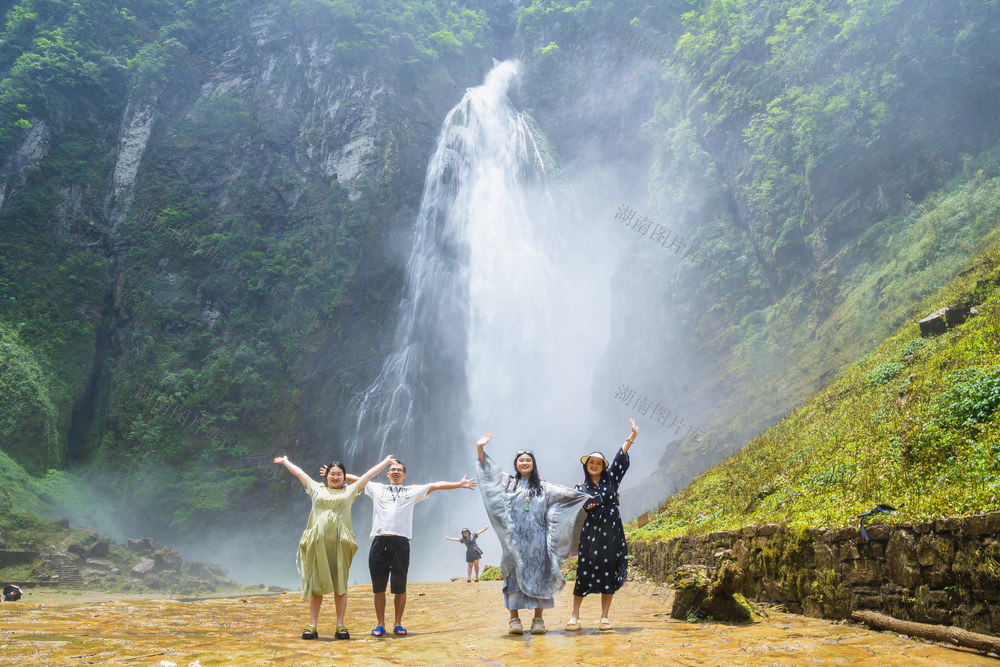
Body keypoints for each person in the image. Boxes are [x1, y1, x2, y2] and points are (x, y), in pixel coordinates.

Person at [322, 458, 478, 638]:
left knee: (400, 586)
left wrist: (459, 484)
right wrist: (334, 475)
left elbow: (435, 485)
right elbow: (359, 478)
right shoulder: (376, 488)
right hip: (379, 541)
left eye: (399, 470)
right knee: (378, 587)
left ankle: (398, 623)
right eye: (392, 469)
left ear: (404, 475)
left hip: (401, 543)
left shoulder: (412, 491)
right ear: (387, 474)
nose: (395, 471)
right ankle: (380, 624)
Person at [475, 433, 591, 635]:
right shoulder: (508, 482)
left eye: (528, 460)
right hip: (515, 541)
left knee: (541, 577)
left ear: (533, 464)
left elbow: (565, 493)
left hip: (538, 542)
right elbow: (489, 473)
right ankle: (514, 620)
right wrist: (480, 449)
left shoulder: (544, 487)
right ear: (516, 464)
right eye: (521, 460)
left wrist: (583, 495)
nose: (525, 462)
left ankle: (538, 619)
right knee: (513, 577)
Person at [274, 453, 395, 641]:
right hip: (317, 543)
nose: (335, 477)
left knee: (340, 584)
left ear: (344, 477)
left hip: (341, 544)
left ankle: (340, 625)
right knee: (316, 584)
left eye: (339, 474)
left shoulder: (350, 491)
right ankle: (312, 625)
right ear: (326, 476)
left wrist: (386, 462)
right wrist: (286, 461)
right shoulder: (316, 488)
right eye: (332, 474)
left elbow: (368, 475)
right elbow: (300, 474)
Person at [566, 418, 637, 632]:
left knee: (608, 569)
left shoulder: (611, 480)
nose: (594, 466)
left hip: (612, 530)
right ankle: (574, 616)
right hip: (591, 532)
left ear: (602, 466)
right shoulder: (580, 487)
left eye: (598, 463)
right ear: (586, 467)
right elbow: (566, 504)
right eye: (591, 463)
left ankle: (604, 617)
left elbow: (620, 458)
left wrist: (631, 436)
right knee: (585, 570)